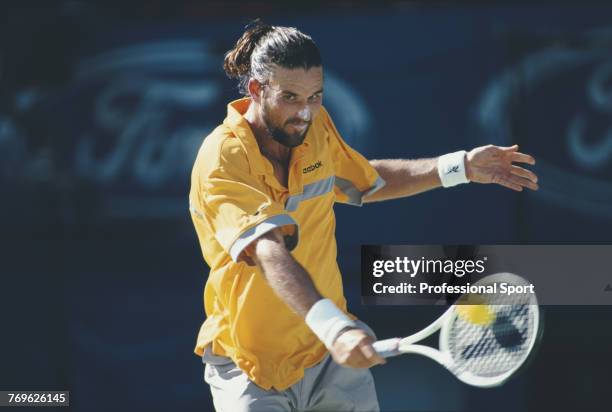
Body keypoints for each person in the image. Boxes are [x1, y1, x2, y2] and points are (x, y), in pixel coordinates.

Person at [188, 20, 538, 412]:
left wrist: (460, 168)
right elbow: (268, 252)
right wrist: (334, 327)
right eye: (290, 97)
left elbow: (366, 181)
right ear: (256, 89)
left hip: (329, 360)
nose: (304, 112)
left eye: (315, 96)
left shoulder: (314, 129)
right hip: (250, 367)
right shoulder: (222, 158)